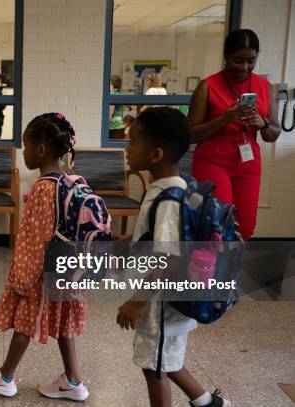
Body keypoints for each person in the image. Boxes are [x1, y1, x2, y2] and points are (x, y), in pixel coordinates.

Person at [0, 113, 90, 401]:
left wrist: (22, 278)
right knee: (62, 326)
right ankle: (73, 382)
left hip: (40, 274)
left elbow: (36, 240)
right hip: (68, 272)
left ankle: (4, 377)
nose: (24, 152)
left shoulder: (43, 188)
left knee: (24, 324)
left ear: (41, 149)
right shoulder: (72, 182)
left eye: (25, 145)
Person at [116, 107, 231, 407]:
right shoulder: (177, 187)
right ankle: (207, 402)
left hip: (160, 302)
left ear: (155, 155)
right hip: (172, 299)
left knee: (153, 366)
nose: (127, 149)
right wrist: (130, 241)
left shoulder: (167, 199)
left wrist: (136, 301)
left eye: (132, 142)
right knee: (167, 356)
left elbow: (168, 259)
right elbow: (162, 237)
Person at [188, 29, 280, 240]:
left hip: (248, 163)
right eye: (238, 60)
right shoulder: (207, 87)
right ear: (226, 56)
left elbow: (273, 133)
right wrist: (224, 120)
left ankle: (229, 269)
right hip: (213, 161)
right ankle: (208, 272)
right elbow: (190, 134)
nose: (244, 67)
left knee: (245, 227)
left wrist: (263, 122)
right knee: (216, 224)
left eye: (251, 60)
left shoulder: (265, 87)